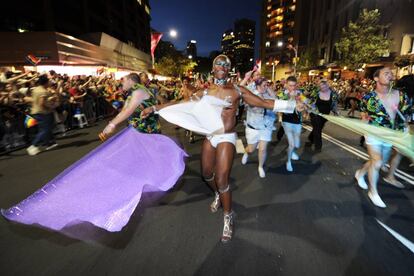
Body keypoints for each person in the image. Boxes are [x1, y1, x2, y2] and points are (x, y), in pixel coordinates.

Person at [142, 55, 299, 242]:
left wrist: (291, 105)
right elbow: (182, 104)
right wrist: (155, 108)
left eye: (226, 64)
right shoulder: (205, 92)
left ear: (229, 69)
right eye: (219, 63)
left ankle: (228, 215)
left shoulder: (237, 91)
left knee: (222, 178)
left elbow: (264, 103)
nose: (222, 66)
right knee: (206, 174)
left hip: (227, 136)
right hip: (211, 136)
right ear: (214, 68)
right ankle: (217, 193)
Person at [354, 67, 411, 208]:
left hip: (391, 134)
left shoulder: (402, 95)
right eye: (386, 73)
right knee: (378, 162)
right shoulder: (368, 98)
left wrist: (405, 131)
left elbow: (407, 116)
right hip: (373, 133)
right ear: (376, 78)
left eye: (391, 73)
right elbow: (363, 114)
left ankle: (360, 172)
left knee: (380, 161)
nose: (390, 74)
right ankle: (373, 192)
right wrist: (364, 119)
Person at [101, 73, 160, 138]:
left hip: (147, 133)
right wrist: (113, 122)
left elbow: (128, 110)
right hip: (137, 132)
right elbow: (123, 111)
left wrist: (112, 124)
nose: (121, 83)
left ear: (130, 81)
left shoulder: (139, 91)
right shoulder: (133, 93)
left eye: (123, 81)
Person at [241, 77, 277, 178]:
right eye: (264, 85)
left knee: (262, 149)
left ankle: (260, 167)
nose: (266, 87)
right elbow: (239, 90)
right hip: (253, 126)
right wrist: (247, 78)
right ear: (257, 86)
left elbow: (276, 99)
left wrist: (268, 87)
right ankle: (246, 153)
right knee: (251, 149)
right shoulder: (251, 95)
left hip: (266, 127)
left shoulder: (268, 95)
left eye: (267, 85)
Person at [26, 75, 59, 156]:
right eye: (48, 81)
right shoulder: (42, 91)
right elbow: (41, 103)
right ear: (46, 82)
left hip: (36, 111)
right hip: (42, 112)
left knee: (43, 129)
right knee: (45, 130)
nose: (50, 83)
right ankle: (33, 145)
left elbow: (36, 100)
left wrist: (50, 99)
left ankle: (48, 143)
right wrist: (50, 107)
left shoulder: (36, 89)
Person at [277, 76, 304, 172]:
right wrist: (292, 98)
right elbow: (280, 108)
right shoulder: (281, 95)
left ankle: (291, 151)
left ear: (296, 85)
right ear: (286, 85)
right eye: (290, 85)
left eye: (294, 85)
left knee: (297, 145)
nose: (292, 88)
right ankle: (288, 161)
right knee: (292, 144)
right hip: (287, 121)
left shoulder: (300, 93)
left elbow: (304, 104)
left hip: (298, 122)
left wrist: (302, 105)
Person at [307, 79, 339, 151]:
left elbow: (334, 105)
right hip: (315, 113)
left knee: (318, 128)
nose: (322, 88)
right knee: (318, 128)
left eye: (324, 87)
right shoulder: (316, 92)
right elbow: (310, 103)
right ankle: (318, 146)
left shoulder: (333, 94)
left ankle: (311, 138)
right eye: (321, 87)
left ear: (328, 86)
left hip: (325, 115)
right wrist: (310, 111)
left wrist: (336, 112)